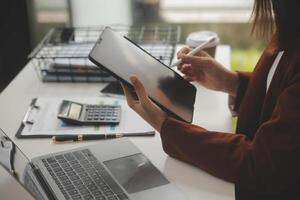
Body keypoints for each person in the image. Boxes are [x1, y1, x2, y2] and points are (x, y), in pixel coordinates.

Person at [121, 0, 300, 199]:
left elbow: (262, 164)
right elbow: (284, 94)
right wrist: (232, 83)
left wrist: (165, 125)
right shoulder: (291, 24)